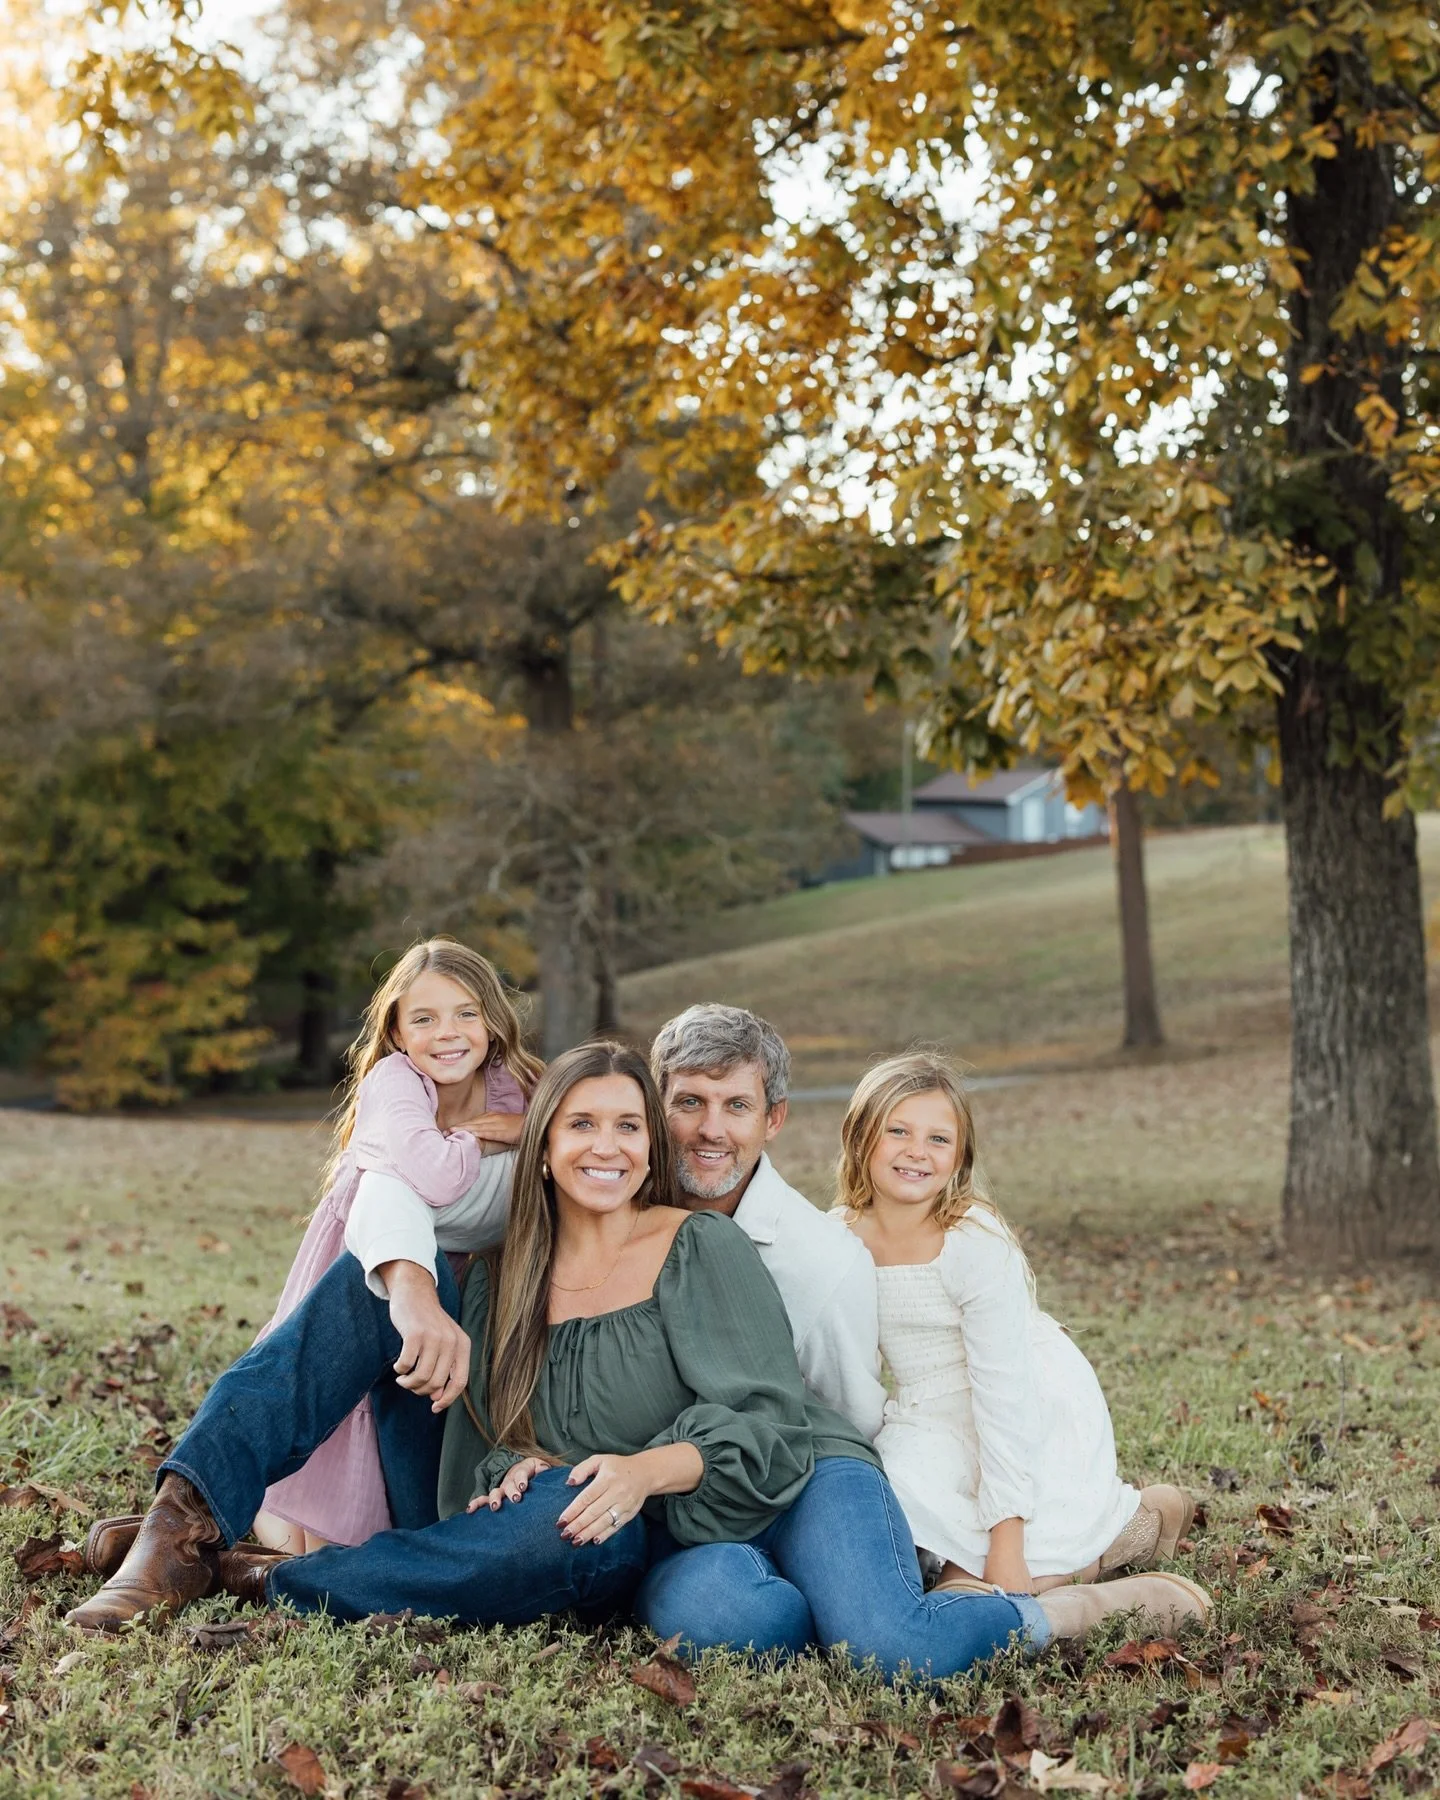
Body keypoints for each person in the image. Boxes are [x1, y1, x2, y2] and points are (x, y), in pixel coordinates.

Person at [70, 1042, 1083, 1678]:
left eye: (630, 1126)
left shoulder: (697, 1247)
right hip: (570, 1514)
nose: (607, 1146)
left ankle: (274, 1581)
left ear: (651, 1148)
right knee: (377, 1283)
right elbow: (387, 1205)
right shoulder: (502, 1264)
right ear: (545, 1142)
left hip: (699, 1498)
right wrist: (430, 1319)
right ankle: (183, 1523)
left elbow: (773, 1418)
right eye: (582, 1123)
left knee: (818, 1634)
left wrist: (642, 1469)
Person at [341, 1002, 888, 1439]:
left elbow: (848, 1424)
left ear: (774, 1118)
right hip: (556, 1472)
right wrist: (412, 1289)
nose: (711, 1131)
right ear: (652, 1106)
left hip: (740, 1491)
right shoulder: (579, 1190)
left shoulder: (823, 1262)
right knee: (374, 1278)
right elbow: (390, 1191)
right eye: (689, 1102)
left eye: (737, 1107)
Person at [834, 1051, 1194, 1603]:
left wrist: (1007, 1540)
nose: (916, 1152)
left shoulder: (972, 1242)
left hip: (1021, 1402)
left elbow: (1005, 1393)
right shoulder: (837, 1236)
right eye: (897, 1131)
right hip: (926, 1413)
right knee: (882, 1500)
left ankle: (1128, 1534)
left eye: (939, 1139)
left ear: (960, 1156)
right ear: (860, 1138)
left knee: (978, 1584)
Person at [252, 938, 540, 1552]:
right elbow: (434, 1175)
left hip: (463, 1264)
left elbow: (571, 1130)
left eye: (467, 1013)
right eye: (425, 1018)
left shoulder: (511, 1086)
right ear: (398, 1033)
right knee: (338, 1420)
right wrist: (481, 1139)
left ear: (493, 1019)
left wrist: (523, 1125)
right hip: (366, 1264)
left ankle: (386, 1534)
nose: (449, 1033)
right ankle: (283, 1540)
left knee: (419, 1398)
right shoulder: (393, 1079)